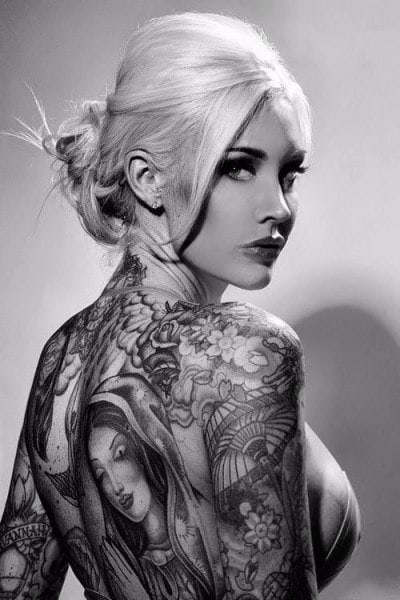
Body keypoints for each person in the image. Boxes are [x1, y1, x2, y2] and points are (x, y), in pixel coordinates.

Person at [0, 11, 360, 600]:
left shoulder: (61, 360)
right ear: (148, 179)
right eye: (239, 167)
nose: (279, 207)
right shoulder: (245, 351)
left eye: (290, 173)